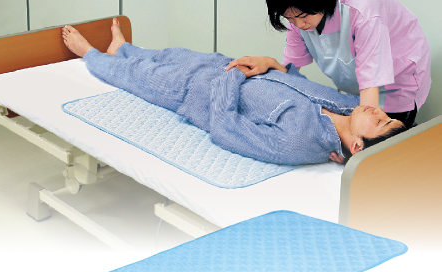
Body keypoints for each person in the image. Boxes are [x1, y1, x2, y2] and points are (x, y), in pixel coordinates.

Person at [61, 18, 405, 166]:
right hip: (221, 64)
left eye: (380, 122)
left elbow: (224, 129)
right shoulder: (347, 104)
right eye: (387, 115)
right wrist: (269, 63)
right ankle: (122, 48)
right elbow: (294, 80)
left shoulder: (298, 142)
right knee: (168, 54)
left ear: (356, 146)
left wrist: (233, 79)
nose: (377, 110)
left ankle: (89, 54)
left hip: (195, 91)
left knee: (136, 75)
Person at [226, 0, 431, 134]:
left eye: (303, 17)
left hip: (397, 83)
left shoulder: (363, 11)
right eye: (290, 19)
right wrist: (269, 64)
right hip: (360, 90)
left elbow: (370, 82)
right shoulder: (298, 16)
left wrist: (358, 136)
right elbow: (291, 74)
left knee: (379, 147)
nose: (299, 25)